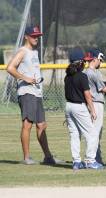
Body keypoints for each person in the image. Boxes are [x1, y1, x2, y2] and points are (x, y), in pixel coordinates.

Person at [6, 25, 58, 165]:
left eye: (37, 36)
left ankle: (48, 157)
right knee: (27, 124)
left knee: (41, 125)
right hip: (27, 92)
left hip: (36, 92)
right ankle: (27, 157)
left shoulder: (34, 52)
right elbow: (10, 68)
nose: (36, 38)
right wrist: (25, 78)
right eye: (33, 36)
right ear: (26, 37)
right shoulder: (22, 51)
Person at [64, 48, 103, 170]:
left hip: (68, 106)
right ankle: (90, 161)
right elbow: (87, 95)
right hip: (79, 107)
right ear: (80, 63)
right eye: (84, 62)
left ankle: (76, 162)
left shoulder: (67, 77)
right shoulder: (82, 76)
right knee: (92, 134)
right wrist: (92, 110)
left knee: (74, 135)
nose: (85, 64)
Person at [83, 49, 106, 165]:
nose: (101, 62)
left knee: (96, 132)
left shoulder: (88, 72)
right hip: (96, 104)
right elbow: (103, 89)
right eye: (100, 60)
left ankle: (95, 157)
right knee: (95, 132)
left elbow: (100, 86)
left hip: (93, 103)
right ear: (94, 59)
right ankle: (90, 159)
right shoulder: (92, 73)